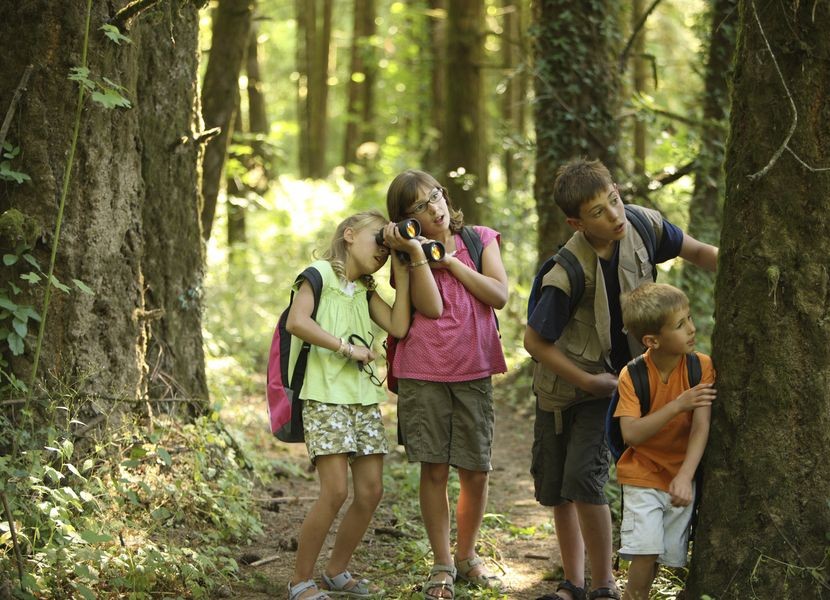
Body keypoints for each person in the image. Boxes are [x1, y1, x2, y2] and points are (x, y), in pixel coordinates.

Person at [523, 158, 718, 600]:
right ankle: (573, 581)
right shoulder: (566, 272)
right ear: (576, 221)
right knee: (558, 487)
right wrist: (588, 382)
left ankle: (604, 585)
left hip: (618, 385)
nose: (613, 216)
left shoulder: (643, 226)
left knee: (585, 481)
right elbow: (535, 342)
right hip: (568, 387)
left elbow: (700, 252)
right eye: (598, 212)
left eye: (614, 200)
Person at [286, 210, 440, 600]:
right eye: (378, 241)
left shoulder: (368, 293)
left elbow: (400, 327)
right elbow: (296, 321)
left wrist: (403, 272)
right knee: (334, 491)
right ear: (350, 235)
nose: (383, 252)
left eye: (388, 249)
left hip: (362, 400)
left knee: (370, 492)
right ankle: (299, 581)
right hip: (324, 396)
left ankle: (336, 570)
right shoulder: (318, 274)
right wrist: (345, 347)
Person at [386, 170, 508, 600]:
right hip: (423, 370)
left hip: (474, 367)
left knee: (475, 469)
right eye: (420, 205)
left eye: (435, 195)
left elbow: (498, 294)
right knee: (434, 468)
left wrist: (452, 263)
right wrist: (417, 255)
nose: (434, 207)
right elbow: (432, 309)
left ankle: (467, 555)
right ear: (407, 219)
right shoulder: (405, 257)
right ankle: (442, 563)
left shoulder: (478, 239)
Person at [615, 283, 715, 600]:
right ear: (652, 341)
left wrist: (685, 475)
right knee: (645, 553)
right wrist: (677, 405)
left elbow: (701, 427)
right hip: (642, 473)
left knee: (664, 555)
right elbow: (630, 434)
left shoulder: (701, 367)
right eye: (679, 324)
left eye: (688, 319)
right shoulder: (632, 375)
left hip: (679, 476)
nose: (691, 328)